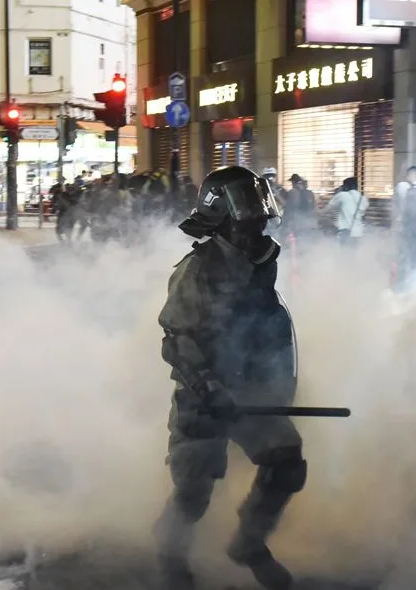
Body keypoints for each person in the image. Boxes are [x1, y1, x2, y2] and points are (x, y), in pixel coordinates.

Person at [154, 165, 304, 590]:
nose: (256, 221)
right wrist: (208, 387)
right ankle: (170, 558)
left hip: (250, 390)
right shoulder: (196, 270)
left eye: (259, 212)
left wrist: (277, 382)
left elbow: (269, 327)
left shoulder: (261, 263)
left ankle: (249, 543)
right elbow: (175, 339)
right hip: (203, 398)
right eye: (247, 213)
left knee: (286, 462)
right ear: (221, 217)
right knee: (193, 492)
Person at [326, 176, 369, 245]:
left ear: (346, 186)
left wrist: (338, 193)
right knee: (354, 253)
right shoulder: (363, 198)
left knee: (345, 253)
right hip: (358, 233)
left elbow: (329, 207)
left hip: (345, 232)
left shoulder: (342, 195)